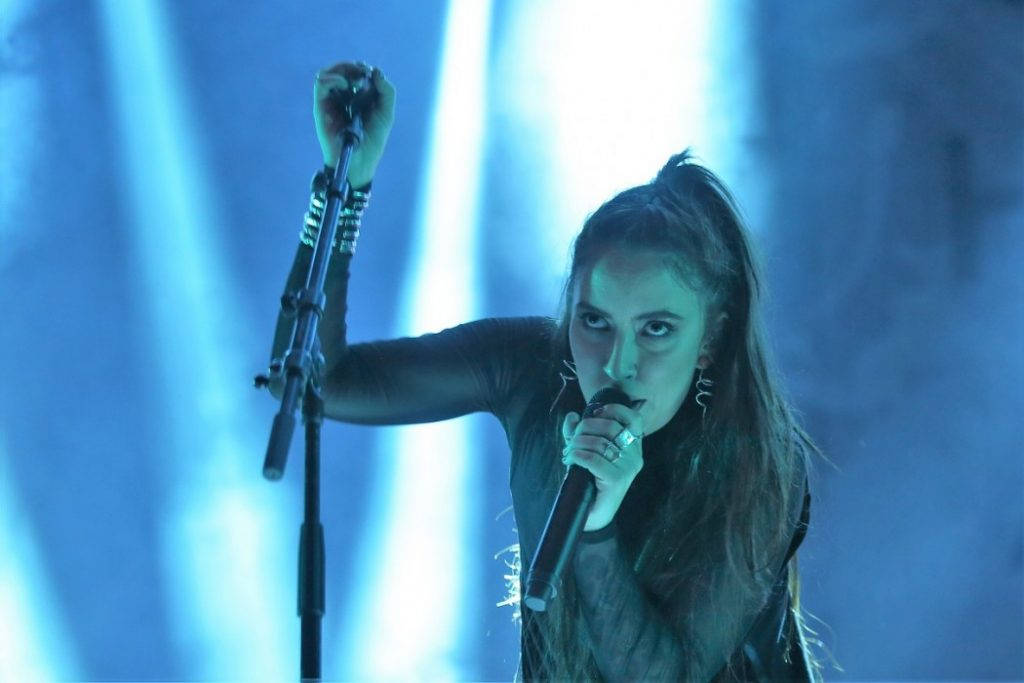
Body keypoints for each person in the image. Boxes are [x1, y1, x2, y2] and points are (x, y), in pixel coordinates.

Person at [269, 61, 823, 682]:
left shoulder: (758, 458)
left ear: (711, 339)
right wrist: (343, 191)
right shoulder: (533, 370)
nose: (619, 362)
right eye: (594, 321)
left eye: (657, 329)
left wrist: (598, 525)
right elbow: (319, 380)